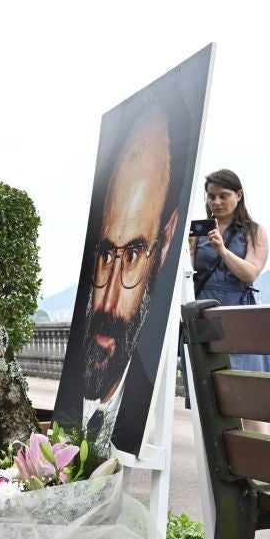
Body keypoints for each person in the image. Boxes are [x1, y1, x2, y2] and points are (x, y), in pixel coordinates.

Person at [65, 103, 183, 456]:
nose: (109, 301)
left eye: (131, 256)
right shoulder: (72, 386)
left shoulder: (139, 396)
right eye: (104, 255)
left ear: (165, 243)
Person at [191, 168, 270, 432]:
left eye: (223, 195)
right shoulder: (199, 231)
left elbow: (250, 273)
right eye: (211, 196)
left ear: (238, 195)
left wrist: (222, 250)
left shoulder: (254, 231)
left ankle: (258, 463)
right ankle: (224, 467)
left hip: (239, 314)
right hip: (205, 314)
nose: (216, 202)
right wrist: (190, 251)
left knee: (249, 396)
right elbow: (189, 278)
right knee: (213, 396)